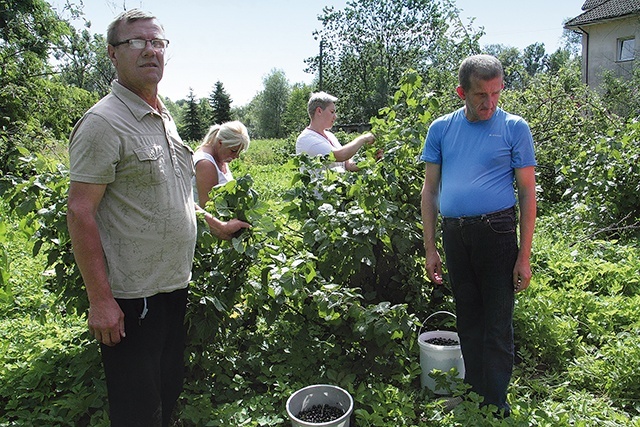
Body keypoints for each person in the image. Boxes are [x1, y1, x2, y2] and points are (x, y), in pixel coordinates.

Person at [66, 9, 249, 426]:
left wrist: (212, 223)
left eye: (157, 42)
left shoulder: (163, 119)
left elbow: (175, 193)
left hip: (172, 285)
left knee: (166, 391)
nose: (150, 50)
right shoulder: (104, 123)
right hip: (132, 298)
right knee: (136, 408)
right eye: (136, 42)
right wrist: (100, 300)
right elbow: (80, 210)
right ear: (113, 54)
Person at [420, 54, 537, 416]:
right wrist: (430, 247)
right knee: (469, 318)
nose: (489, 103)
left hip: (497, 232)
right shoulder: (441, 128)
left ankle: (496, 403)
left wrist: (524, 255)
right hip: (455, 235)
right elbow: (429, 191)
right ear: (461, 92)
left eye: (496, 94)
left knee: (497, 322)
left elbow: (527, 193)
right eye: (480, 95)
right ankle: (473, 394)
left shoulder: (515, 127)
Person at [296, 91, 375, 172]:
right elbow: (341, 155)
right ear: (319, 111)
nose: (335, 116)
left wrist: (373, 160)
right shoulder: (306, 139)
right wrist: (363, 138)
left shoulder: (330, 136)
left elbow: (348, 165)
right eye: (332, 112)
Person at [193, 121, 250, 207]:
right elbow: (208, 207)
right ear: (220, 142)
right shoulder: (205, 164)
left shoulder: (220, 157)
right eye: (233, 151)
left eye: (239, 152)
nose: (237, 156)